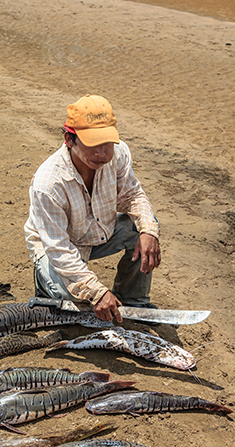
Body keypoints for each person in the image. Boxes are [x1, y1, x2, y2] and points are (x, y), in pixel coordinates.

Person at [24, 94, 161, 323]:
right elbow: (58, 248)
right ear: (69, 140)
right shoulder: (48, 184)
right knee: (78, 302)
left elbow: (132, 195)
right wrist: (97, 292)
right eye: (92, 144)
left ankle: (133, 301)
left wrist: (149, 231)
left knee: (143, 228)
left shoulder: (118, 155)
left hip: (98, 231)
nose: (102, 152)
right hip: (57, 247)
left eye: (107, 142)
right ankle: (44, 282)